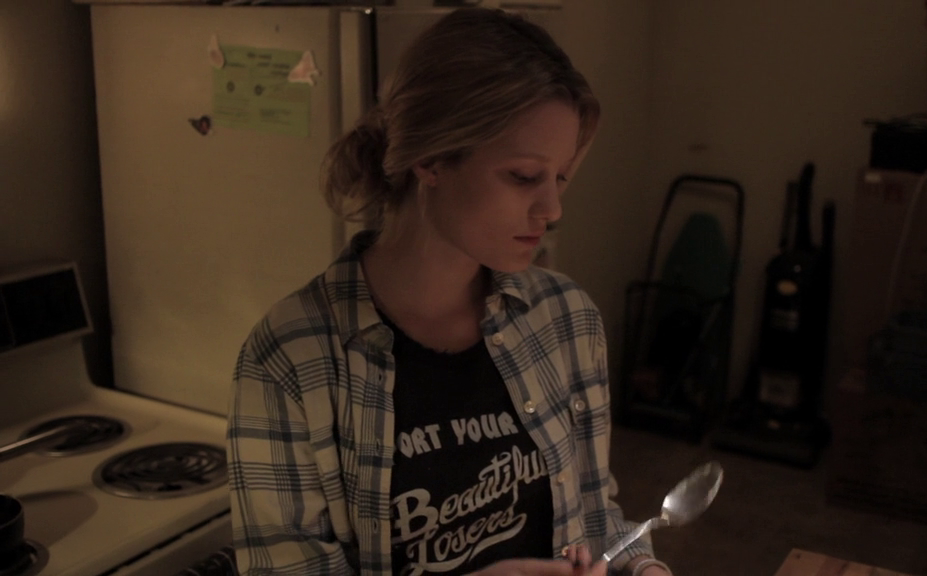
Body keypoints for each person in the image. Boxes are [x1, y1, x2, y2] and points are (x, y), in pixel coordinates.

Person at [227, 8, 672, 576]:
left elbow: (593, 516)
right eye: (523, 176)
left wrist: (643, 568)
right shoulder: (290, 361)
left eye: (560, 178)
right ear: (431, 158)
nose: (553, 208)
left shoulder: (566, 317)